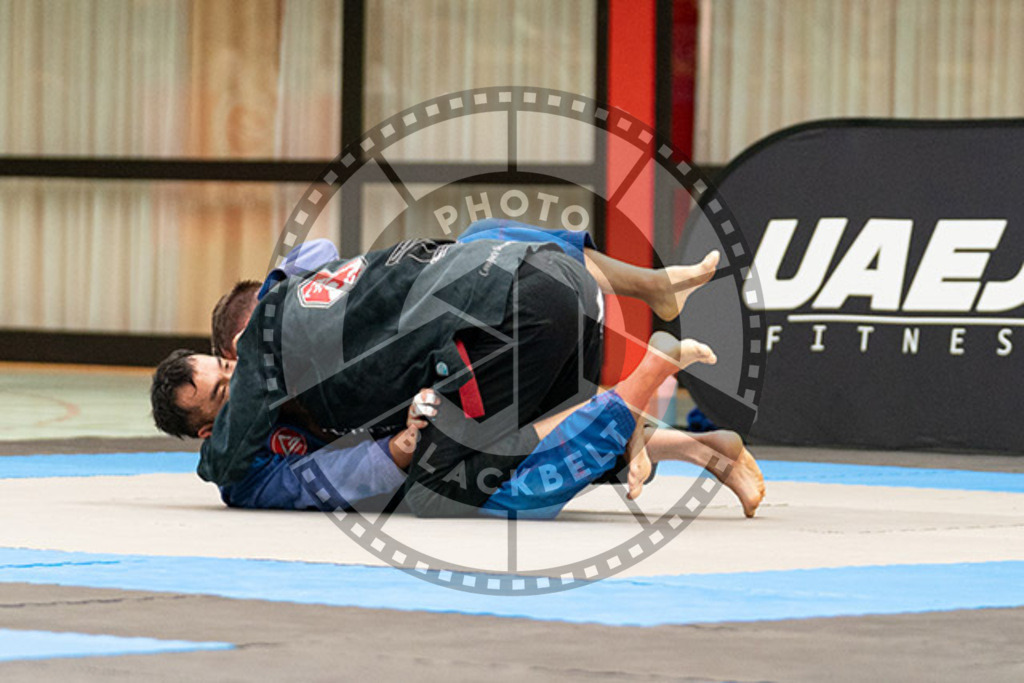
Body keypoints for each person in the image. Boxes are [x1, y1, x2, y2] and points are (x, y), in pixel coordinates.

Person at [152, 232, 764, 517]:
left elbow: (228, 467)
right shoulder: (321, 310)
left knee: (446, 486)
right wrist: (393, 446)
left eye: (232, 370)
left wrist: (396, 452)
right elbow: (314, 251)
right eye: (225, 385)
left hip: (514, 318)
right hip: (559, 282)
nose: (242, 380)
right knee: (513, 435)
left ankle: (630, 397)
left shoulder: (269, 341)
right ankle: (694, 445)